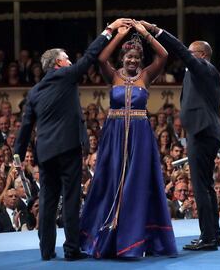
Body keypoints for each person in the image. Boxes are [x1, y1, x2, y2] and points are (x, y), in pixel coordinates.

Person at [14, 18, 132, 261]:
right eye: (66, 58)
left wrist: (17, 154)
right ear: (59, 62)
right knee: (70, 198)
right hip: (67, 148)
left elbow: (26, 127)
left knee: (47, 201)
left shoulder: (34, 91)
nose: (69, 61)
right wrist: (109, 30)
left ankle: (46, 252)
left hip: (45, 152)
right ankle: (71, 250)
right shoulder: (66, 75)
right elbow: (90, 55)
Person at [80, 20, 177, 259]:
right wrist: (117, 35)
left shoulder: (146, 75)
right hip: (114, 136)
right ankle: (106, 238)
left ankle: (134, 242)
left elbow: (163, 55)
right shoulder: (112, 75)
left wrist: (146, 33)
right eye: (129, 57)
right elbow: (101, 58)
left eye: (136, 58)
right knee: (110, 182)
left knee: (137, 185)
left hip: (140, 137)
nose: (132, 61)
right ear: (123, 58)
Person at [141, 21, 220, 251]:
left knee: (200, 188)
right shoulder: (200, 74)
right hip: (204, 131)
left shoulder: (204, 68)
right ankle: (214, 235)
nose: (186, 55)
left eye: (191, 52)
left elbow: (177, 48)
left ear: (202, 55)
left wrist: (154, 30)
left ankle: (208, 238)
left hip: (203, 132)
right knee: (205, 186)